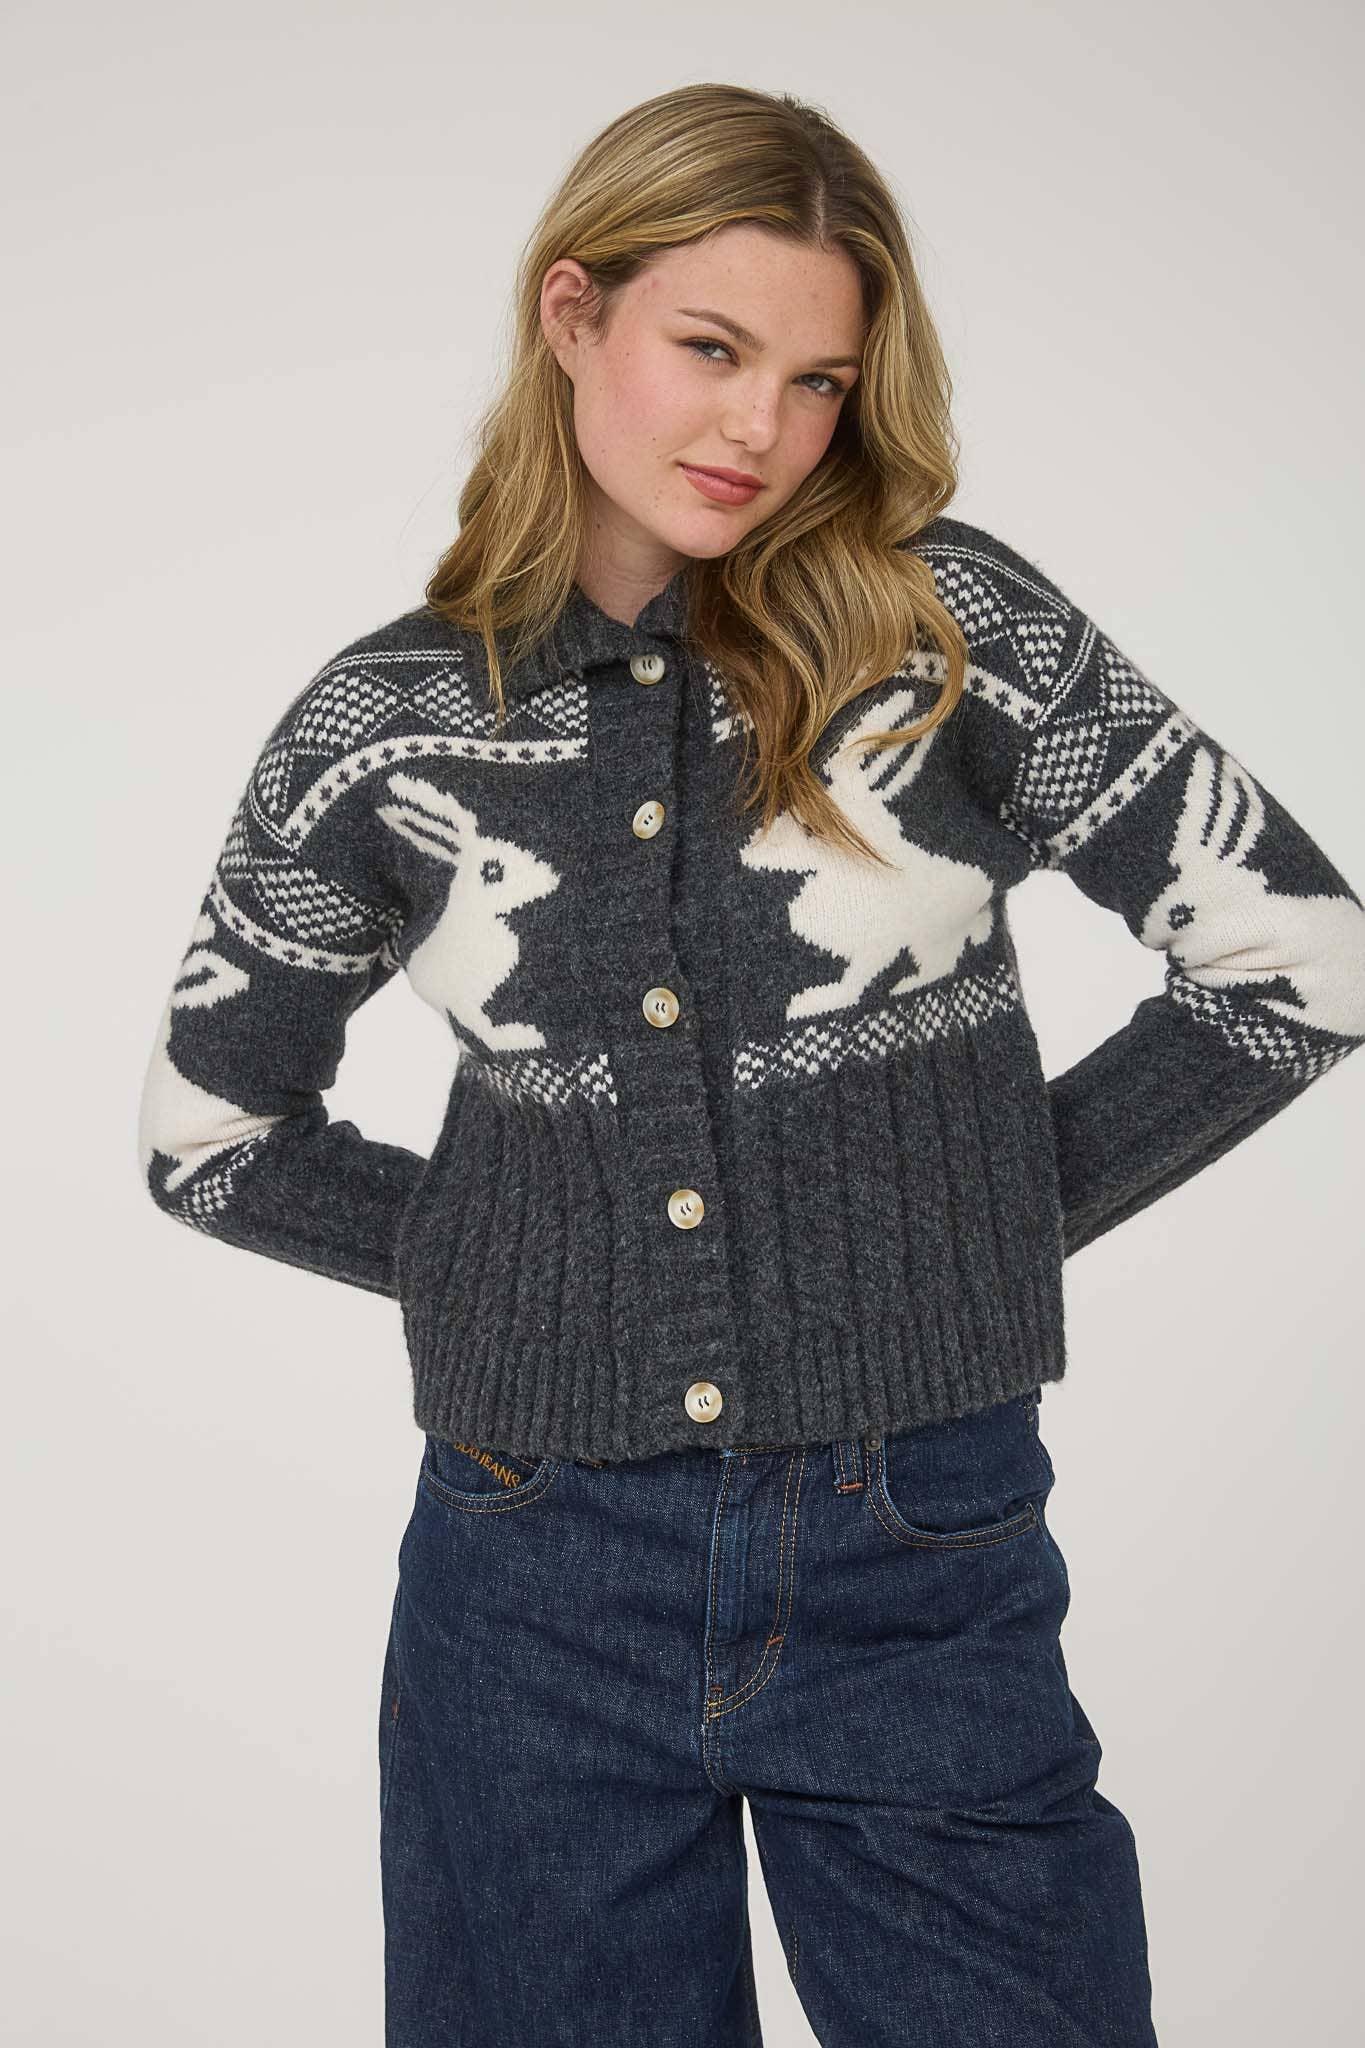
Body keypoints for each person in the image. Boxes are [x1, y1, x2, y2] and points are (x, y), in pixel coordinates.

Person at [135, 82, 1365, 2048]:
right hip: (528, 1566)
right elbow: (212, 1133)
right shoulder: (386, 727)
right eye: (708, 349)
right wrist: (495, 1262)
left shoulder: (946, 630)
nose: (758, 429)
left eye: (814, 380)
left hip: (915, 1536)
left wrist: (966, 1224)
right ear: (572, 316)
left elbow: (1292, 955)